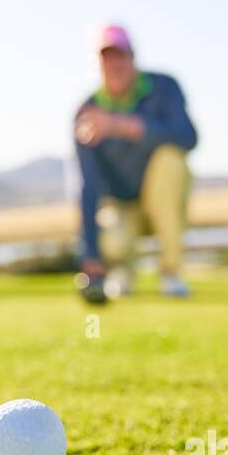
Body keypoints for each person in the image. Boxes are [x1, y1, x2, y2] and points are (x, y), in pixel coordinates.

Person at [74, 26, 197, 301]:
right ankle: (123, 271)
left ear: (133, 57)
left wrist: (124, 126)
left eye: (120, 56)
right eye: (106, 58)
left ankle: (171, 272)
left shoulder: (164, 87)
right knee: (112, 239)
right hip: (122, 204)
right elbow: (88, 185)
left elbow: (188, 137)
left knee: (170, 158)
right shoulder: (87, 113)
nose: (114, 65)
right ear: (97, 64)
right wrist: (90, 255)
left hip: (163, 195)